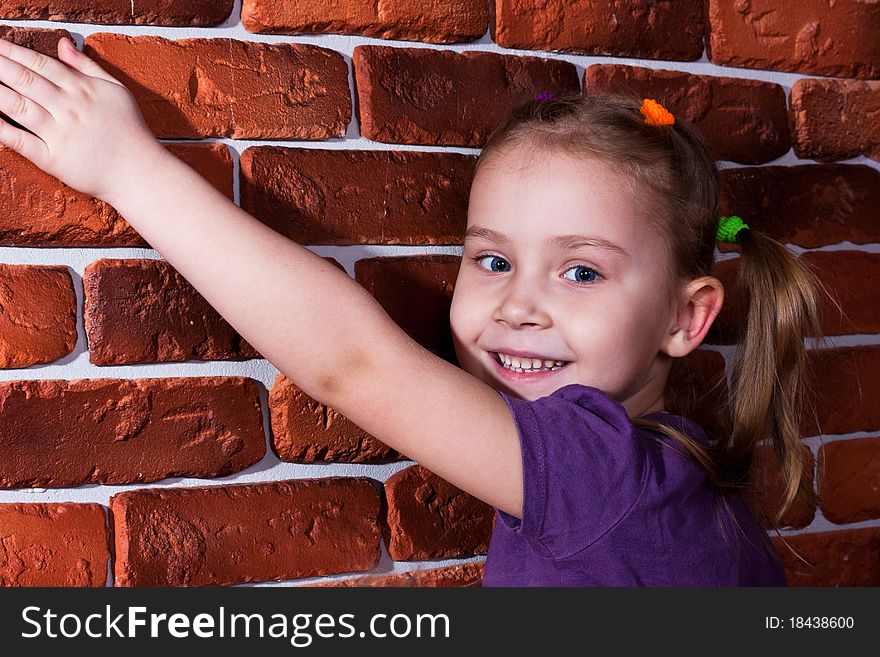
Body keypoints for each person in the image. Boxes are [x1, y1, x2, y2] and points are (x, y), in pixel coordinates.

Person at [0, 37, 831, 586]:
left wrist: (126, 171)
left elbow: (353, 363)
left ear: (686, 321)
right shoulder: (671, 471)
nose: (518, 305)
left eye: (580, 271)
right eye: (493, 260)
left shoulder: (601, 469)